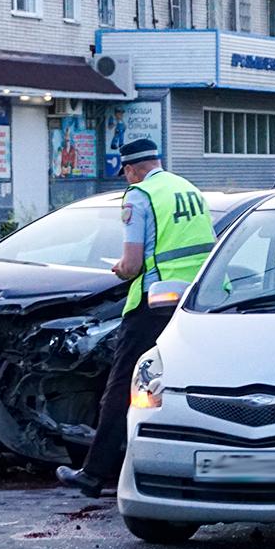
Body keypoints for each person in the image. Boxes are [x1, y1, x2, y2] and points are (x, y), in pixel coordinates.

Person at [57, 139, 214, 497]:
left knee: (123, 385)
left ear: (130, 169)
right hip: (198, 301)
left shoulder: (138, 195)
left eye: (125, 172)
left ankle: (94, 474)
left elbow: (132, 264)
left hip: (154, 303)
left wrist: (118, 270)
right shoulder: (186, 188)